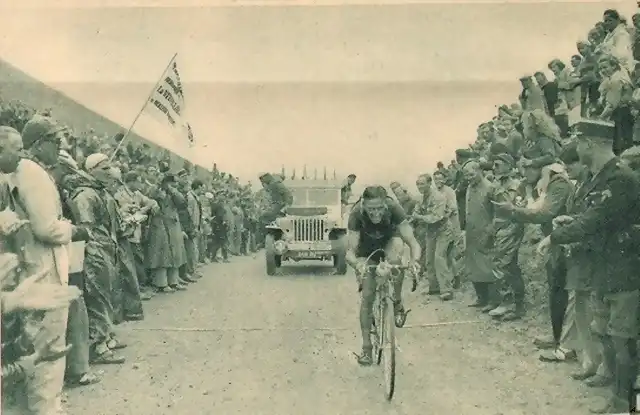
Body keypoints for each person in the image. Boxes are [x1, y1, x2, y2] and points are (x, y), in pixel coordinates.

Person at [537, 119, 640, 414]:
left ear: (591, 145)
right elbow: (598, 217)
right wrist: (571, 223)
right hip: (605, 268)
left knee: (623, 342)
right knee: (606, 333)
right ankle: (619, 399)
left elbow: (596, 219)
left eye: (580, 142)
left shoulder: (619, 177)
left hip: (624, 270)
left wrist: (555, 236)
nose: (577, 148)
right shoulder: (601, 177)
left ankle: (624, 405)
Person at [345, 185, 421, 366]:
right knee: (368, 296)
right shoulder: (356, 214)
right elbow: (350, 252)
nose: (376, 213)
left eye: (379, 208)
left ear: (385, 205)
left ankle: (396, 301)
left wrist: (415, 261)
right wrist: (357, 265)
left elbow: (413, 242)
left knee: (397, 257)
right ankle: (366, 348)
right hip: (365, 249)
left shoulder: (394, 208)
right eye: (371, 209)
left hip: (389, 242)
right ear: (363, 205)